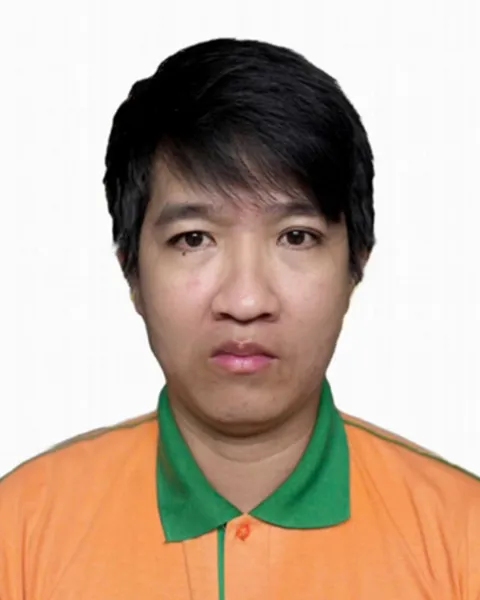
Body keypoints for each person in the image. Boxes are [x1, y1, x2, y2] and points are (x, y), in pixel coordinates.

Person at [1, 38, 479, 600]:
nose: (246, 300)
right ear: (132, 272)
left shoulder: (462, 534)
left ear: (356, 265)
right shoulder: (20, 530)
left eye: (296, 236)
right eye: (194, 238)